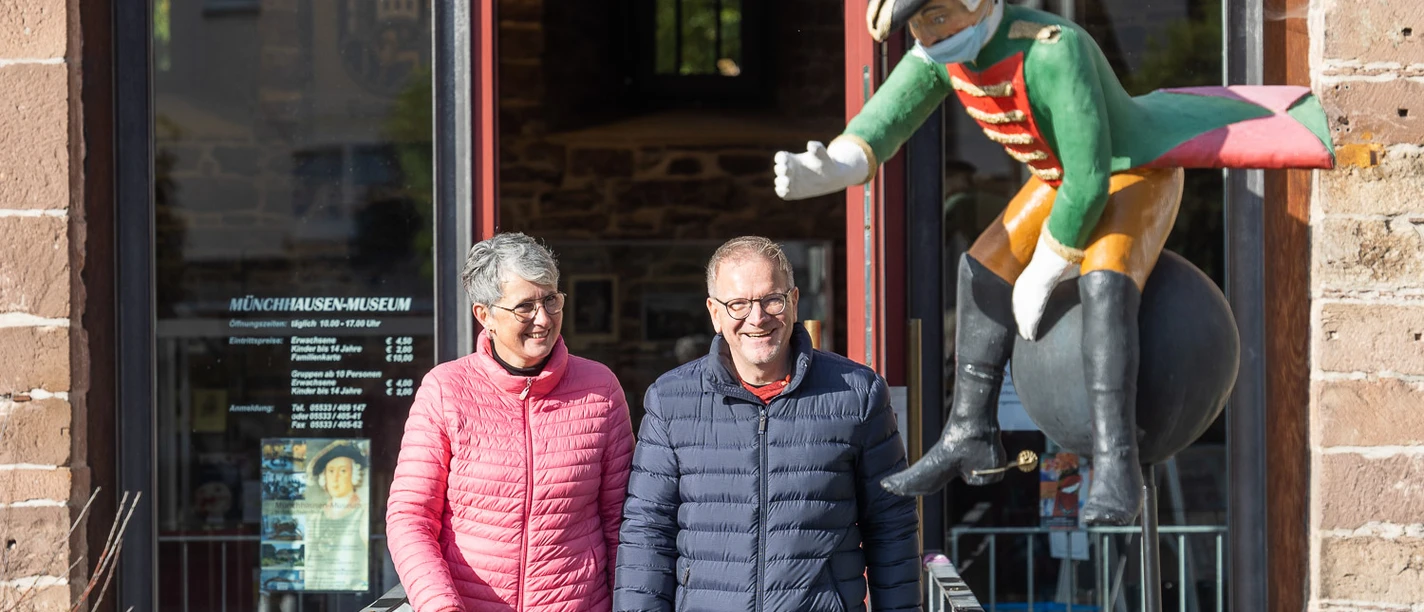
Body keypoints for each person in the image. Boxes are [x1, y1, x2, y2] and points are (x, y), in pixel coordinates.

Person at [774, 0, 1333, 525]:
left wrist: (1046, 267)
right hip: (1060, 179)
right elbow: (882, 126)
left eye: (936, 16)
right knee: (982, 268)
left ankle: (1118, 465)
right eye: (918, 24)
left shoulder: (1052, 48)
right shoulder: (941, 53)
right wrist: (833, 167)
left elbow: (1092, 181)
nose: (927, 34)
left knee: (1104, 283)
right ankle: (970, 429)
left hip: (1129, 170)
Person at [614, 236, 920, 612]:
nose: (756, 318)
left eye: (771, 300)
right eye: (738, 304)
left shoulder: (858, 394)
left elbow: (892, 526)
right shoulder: (670, 400)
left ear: (793, 302)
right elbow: (648, 535)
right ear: (715, 312)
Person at [387, 232, 635, 611]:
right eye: (525, 307)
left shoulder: (600, 389)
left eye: (551, 299)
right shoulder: (446, 389)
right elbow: (410, 517)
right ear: (484, 315)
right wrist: (439, 605)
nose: (543, 318)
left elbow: (622, 521)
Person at [303, 442, 371, 591]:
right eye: (331, 471)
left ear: (354, 474)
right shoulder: (315, 520)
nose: (335, 478)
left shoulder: (363, 514)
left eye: (343, 471)